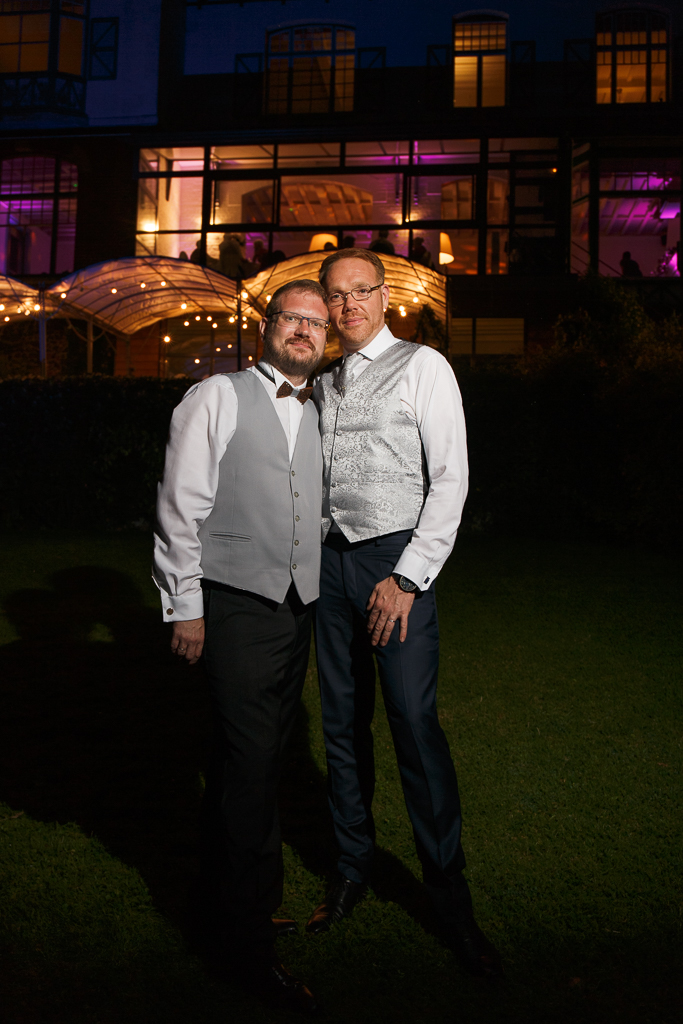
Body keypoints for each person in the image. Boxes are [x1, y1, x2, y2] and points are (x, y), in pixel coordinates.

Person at [307, 249, 502, 980]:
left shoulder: (423, 367)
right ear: (325, 304)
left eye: (360, 291)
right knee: (340, 725)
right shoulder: (321, 384)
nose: (348, 304)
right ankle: (352, 866)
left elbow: (449, 479)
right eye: (336, 294)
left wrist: (407, 577)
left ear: (384, 295)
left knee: (413, 727)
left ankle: (450, 902)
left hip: (395, 562)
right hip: (329, 566)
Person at [153, 279, 330, 1014]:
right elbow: (178, 506)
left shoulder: (325, 409)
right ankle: (246, 947)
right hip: (231, 605)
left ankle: (214, 910)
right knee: (254, 769)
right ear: (267, 323)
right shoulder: (215, 398)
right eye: (292, 317)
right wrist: (184, 605)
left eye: (317, 323)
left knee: (242, 759)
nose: (304, 331)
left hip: (298, 611)